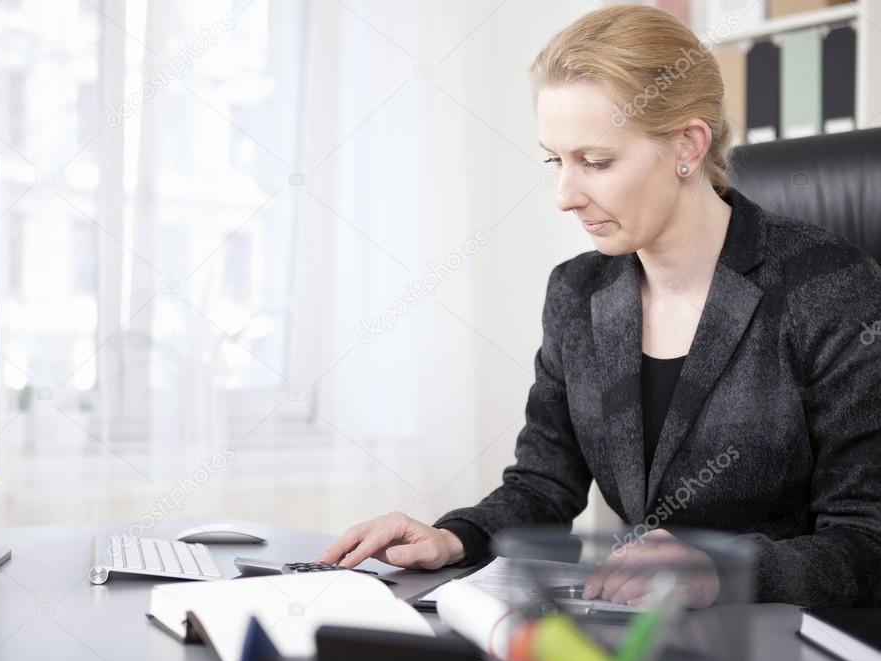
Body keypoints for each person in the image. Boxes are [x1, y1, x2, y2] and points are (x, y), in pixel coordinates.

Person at [319, 5, 881, 609]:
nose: (564, 195)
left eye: (596, 162)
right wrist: (454, 537)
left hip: (790, 643)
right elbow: (543, 487)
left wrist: (722, 569)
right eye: (554, 160)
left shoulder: (828, 288)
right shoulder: (577, 294)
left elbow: (866, 540)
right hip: (640, 637)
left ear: (687, 146)